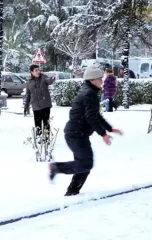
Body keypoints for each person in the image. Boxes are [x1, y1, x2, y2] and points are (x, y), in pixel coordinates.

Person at [48, 66, 123, 196]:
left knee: (85, 164)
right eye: (100, 79)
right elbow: (91, 118)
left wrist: (109, 128)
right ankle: (57, 167)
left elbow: (96, 115)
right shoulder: (89, 94)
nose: (102, 81)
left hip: (77, 133)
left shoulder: (89, 91)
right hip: (76, 134)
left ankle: (72, 191)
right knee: (86, 163)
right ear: (92, 80)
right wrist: (103, 134)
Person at [24, 64, 55, 138]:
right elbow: (28, 94)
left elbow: (49, 81)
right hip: (36, 106)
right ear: (31, 72)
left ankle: (47, 140)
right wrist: (26, 105)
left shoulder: (44, 77)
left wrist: (52, 78)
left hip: (45, 105)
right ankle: (39, 139)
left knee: (46, 123)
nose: (38, 71)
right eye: (36, 70)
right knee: (37, 124)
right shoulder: (29, 82)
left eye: (39, 70)